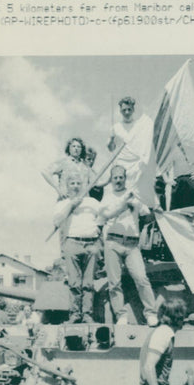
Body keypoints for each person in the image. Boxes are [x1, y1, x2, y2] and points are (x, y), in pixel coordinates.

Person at [100, 165, 158, 327]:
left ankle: (151, 314)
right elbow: (104, 215)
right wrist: (123, 203)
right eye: (115, 177)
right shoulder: (107, 197)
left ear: (125, 179)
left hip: (132, 245)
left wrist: (141, 203)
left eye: (121, 177)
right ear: (111, 180)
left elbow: (147, 216)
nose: (118, 180)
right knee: (114, 283)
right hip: (113, 242)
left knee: (141, 278)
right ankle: (121, 315)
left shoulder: (134, 196)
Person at [53, 171, 103, 323]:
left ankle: (87, 314)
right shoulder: (62, 203)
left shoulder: (93, 202)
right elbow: (57, 221)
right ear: (67, 187)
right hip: (72, 243)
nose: (75, 186)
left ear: (83, 186)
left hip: (91, 244)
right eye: (72, 184)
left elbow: (103, 217)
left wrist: (98, 233)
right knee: (74, 283)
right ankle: (75, 314)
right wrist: (71, 204)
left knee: (88, 283)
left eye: (78, 184)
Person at [107, 97, 154, 196]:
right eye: (124, 110)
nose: (127, 112)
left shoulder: (139, 126)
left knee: (138, 194)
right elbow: (111, 148)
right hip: (122, 165)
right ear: (120, 111)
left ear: (133, 110)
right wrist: (111, 139)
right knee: (122, 194)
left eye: (129, 109)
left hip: (137, 165)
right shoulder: (116, 127)